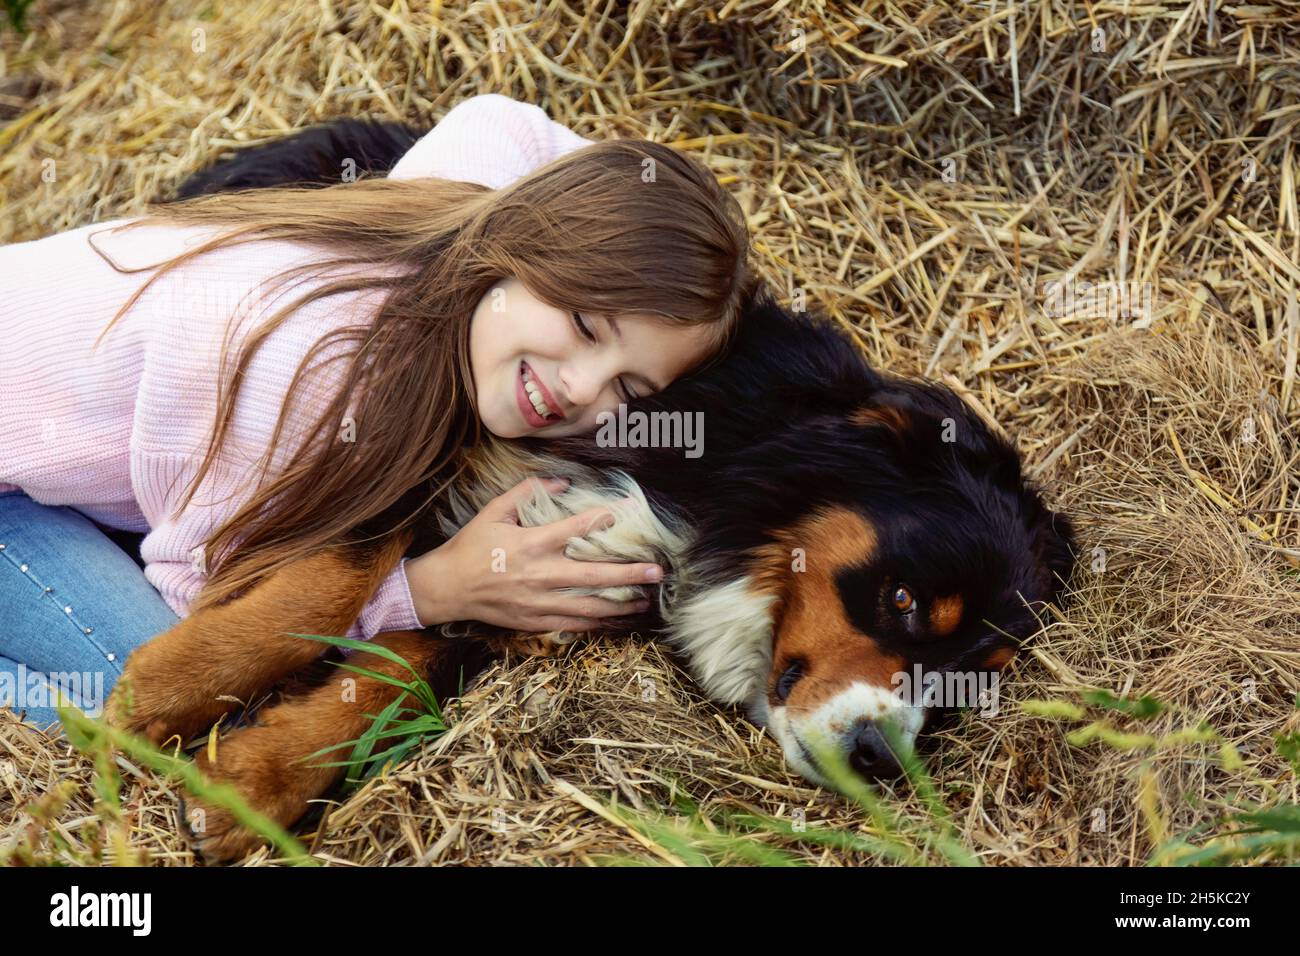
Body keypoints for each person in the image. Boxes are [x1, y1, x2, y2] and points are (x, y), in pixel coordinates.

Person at [0, 94, 753, 732]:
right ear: (529, 240)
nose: (584, 388)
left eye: (632, 389)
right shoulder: (313, 373)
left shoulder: (456, 209)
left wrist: (674, 244)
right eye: (588, 326)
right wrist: (431, 590)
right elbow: (204, 591)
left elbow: (508, 120)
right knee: (164, 703)